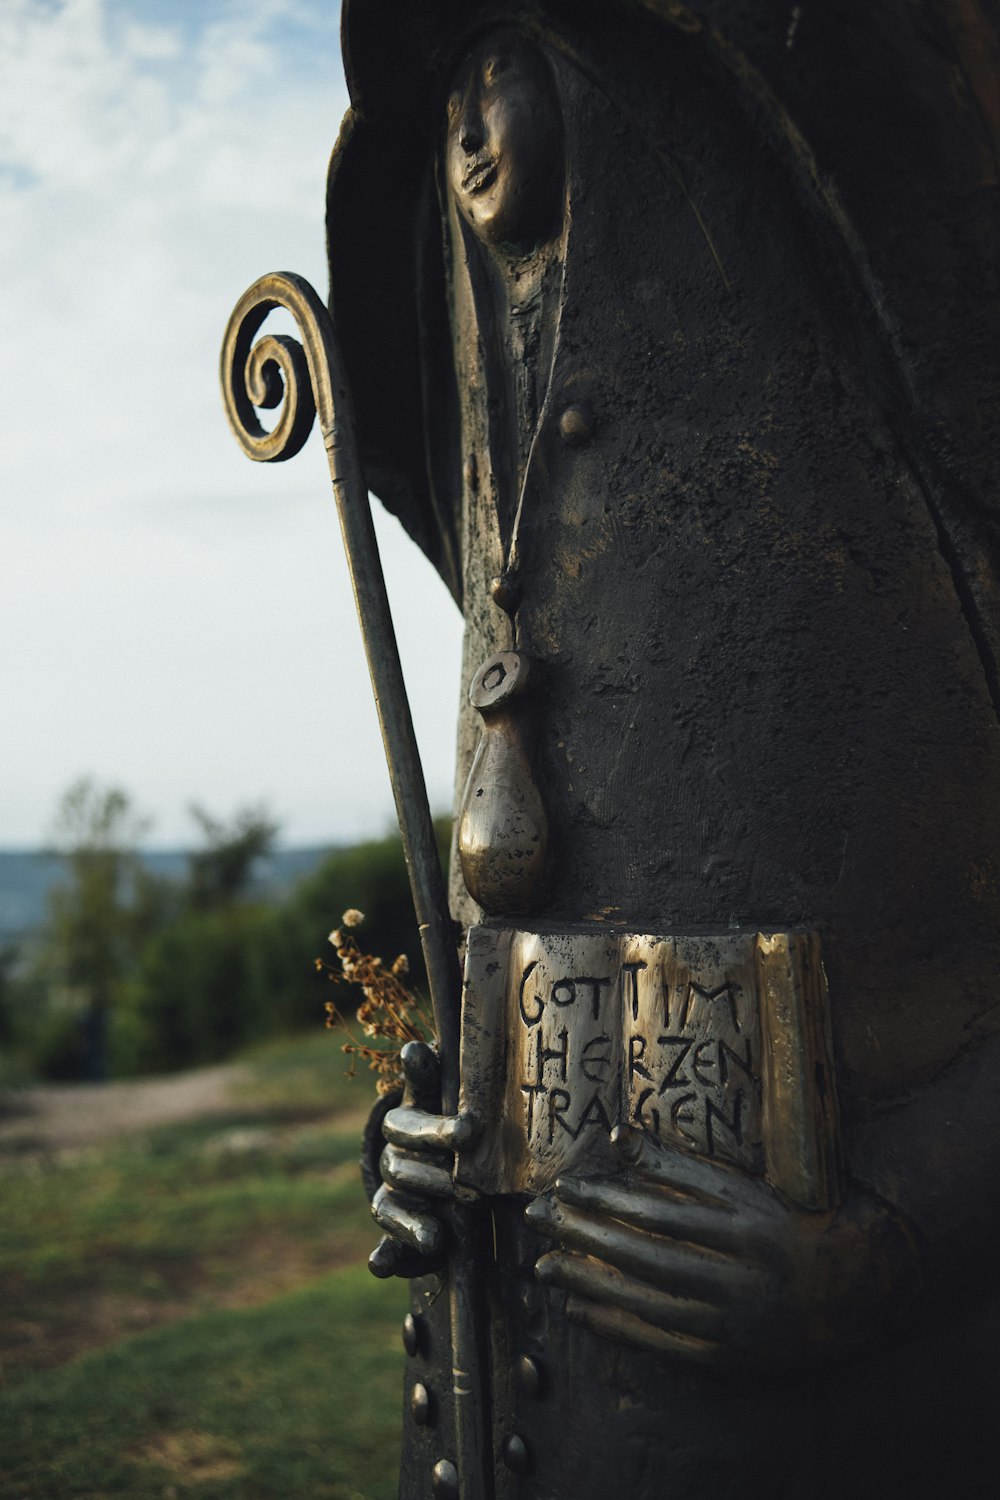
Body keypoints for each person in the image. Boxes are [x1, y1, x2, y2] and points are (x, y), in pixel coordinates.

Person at [327, 3, 1000, 1494]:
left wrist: (906, 1235)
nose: (475, 119)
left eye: (528, 65)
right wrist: (430, 1125)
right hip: (510, 1410)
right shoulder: (468, 354)